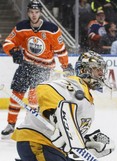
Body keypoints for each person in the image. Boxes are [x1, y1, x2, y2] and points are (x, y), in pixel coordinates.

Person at [12, 50, 115, 161]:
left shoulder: (86, 96)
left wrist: (85, 141)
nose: (101, 74)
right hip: (37, 141)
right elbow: (45, 89)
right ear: (85, 70)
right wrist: (53, 115)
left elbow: (68, 129)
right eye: (97, 69)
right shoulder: (75, 84)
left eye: (102, 70)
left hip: (49, 145)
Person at [1, 0, 73, 138]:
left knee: (34, 98)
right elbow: (8, 42)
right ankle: (11, 124)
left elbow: (61, 49)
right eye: (31, 12)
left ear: (40, 13)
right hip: (27, 65)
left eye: (36, 12)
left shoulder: (51, 29)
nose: (34, 15)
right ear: (28, 13)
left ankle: (30, 124)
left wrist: (65, 66)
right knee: (17, 94)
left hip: (44, 68)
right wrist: (14, 51)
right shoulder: (21, 27)